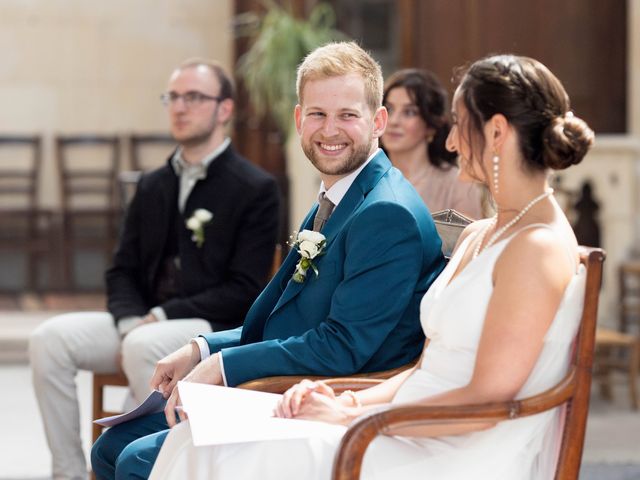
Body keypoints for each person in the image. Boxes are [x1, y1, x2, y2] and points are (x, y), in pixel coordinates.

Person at [143, 54, 595, 480]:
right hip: (405, 415)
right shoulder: (482, 233)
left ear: (497, 132)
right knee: (201, 442)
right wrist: (343, 397)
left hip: (453, 444)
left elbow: (488, 398)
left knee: (235, 452)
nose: (452, 141)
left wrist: (352, 414)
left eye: (459, 125)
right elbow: (426, 369)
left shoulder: (536, 248)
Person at [90, 41, 446, 479]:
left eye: (347, 115)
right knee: (112, 445)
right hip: (282, 378)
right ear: (299, 120)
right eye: (317, 114)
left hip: (321, 397)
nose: (329, 130)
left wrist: (222, 367)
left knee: (136, 459)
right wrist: (202, 348)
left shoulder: (384, 212)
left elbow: (343, 348)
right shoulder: (338, 196)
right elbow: (282, 317)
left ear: (377, 121)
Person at [29, 59, 280, 480]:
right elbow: (122, 269)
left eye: (194, 97)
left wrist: (159, 318)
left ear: (224, 110)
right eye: (173, 97)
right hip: (141, 322)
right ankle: (71, 472)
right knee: (48, 340)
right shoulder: (151, 184)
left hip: (204, 326)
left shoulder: (255, 188)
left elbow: (245, 289)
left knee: (145, 343)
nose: (180, 107)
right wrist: (129, 318)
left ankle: (144, 466)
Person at [382, 68, 484, 219]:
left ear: (431, 125)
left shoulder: (458, 184)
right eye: (389, 109)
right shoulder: (366, 181)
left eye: (409, 112)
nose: (393, 121)